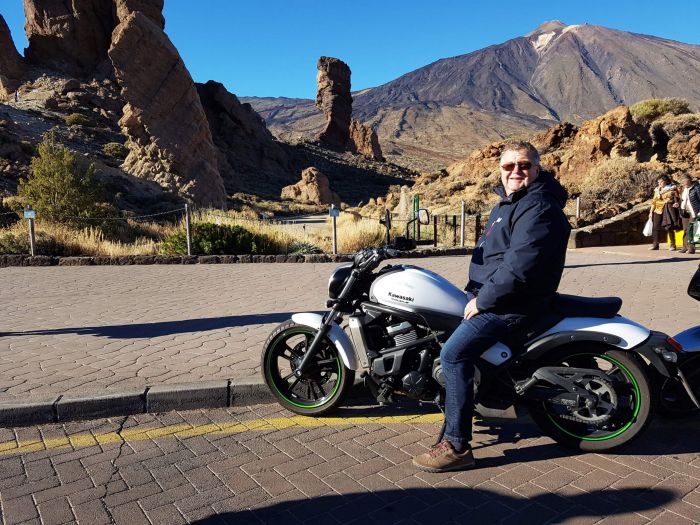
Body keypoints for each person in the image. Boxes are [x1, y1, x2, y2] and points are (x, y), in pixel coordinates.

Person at [412, 141, 571, 473]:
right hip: (500, 296)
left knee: (453, 355)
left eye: (524, 165)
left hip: (512, 305)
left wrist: (483, 301)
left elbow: (520, 267)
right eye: (508, 166)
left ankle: (456, 445)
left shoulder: (538, 206)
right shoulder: (512, 202)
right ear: (500, 170)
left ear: (537, 168)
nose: (516, 171)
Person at [649, 175, 680, 251]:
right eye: (658, 182)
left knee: (669, 226)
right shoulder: (657, 190)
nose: (659, 183)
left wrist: (670, 200)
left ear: (665, 181)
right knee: (655, 227)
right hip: (657, 210)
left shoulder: (672, 188)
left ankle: (673, 244)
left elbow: (677, 198)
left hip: (667, 209)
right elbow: (654, 201)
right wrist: (651, 212)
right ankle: (655, 244)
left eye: (661, 182)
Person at [679, 174, 700, 254]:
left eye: (684, 181)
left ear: (689, 180)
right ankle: (685, 247)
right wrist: (678, 204)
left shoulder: (697, 187)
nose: (682, 183)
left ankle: (691, 248)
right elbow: (682, 199)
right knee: (685, 229)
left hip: (694, 211)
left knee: (691, 229)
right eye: (681, 182)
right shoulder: (683, 188)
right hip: (684, 211)